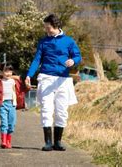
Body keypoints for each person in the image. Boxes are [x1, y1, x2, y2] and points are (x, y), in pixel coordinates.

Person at [25, 14, 81, 151]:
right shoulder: (43, 42)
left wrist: (73, 61)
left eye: (48, 27)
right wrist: (29, 75)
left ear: (56, 25)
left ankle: (58, 142)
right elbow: (37, 59)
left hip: (63, 80)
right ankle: (48, 142)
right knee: (46, 110)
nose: (46, 30)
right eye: (45, 28)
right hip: (46, 77)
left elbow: (77, 56)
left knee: (62, 111)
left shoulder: (68, 41)